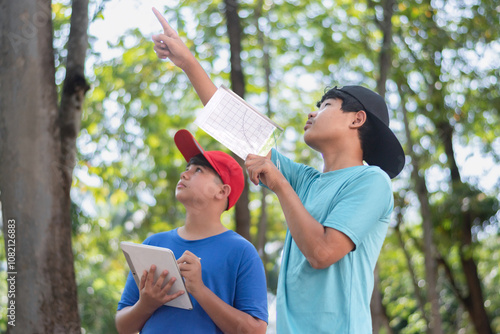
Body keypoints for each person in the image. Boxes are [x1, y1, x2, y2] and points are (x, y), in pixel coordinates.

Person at [151, 6, 405, 333]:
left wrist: (281, 185)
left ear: (356, 119)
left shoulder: (372, 182)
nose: (313, 113)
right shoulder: (306, 181)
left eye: (326, 105)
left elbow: (322, 252)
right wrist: (186, 62)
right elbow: (233, 126)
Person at [115, 129, 268, 334]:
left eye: (198, 170)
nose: (184, 173)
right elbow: (123, 326)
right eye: (188, 167)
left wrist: (200, 290)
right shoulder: (153, 243)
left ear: (222, 191)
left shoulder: (242, 252)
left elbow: (255, 331)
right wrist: (146, 304)